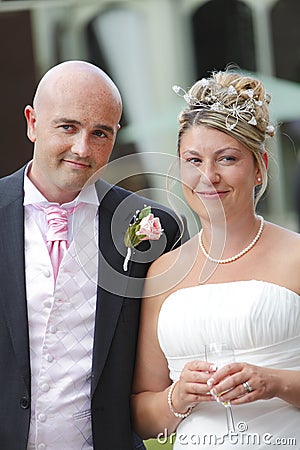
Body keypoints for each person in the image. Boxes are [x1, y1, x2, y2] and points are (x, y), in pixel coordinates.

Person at [0, 60, 187, 450]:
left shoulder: (154, 228)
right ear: (33, 122)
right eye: (67, 127)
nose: (82, 148)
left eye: (100, 133)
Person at [131, 69, 300, 449]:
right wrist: (177, 399)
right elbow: (142, 415)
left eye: (226, 159)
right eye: (193, 160)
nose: (208, 176)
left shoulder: (296, 257)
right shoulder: (163, 273)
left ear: (260, 168)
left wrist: (276, 382)